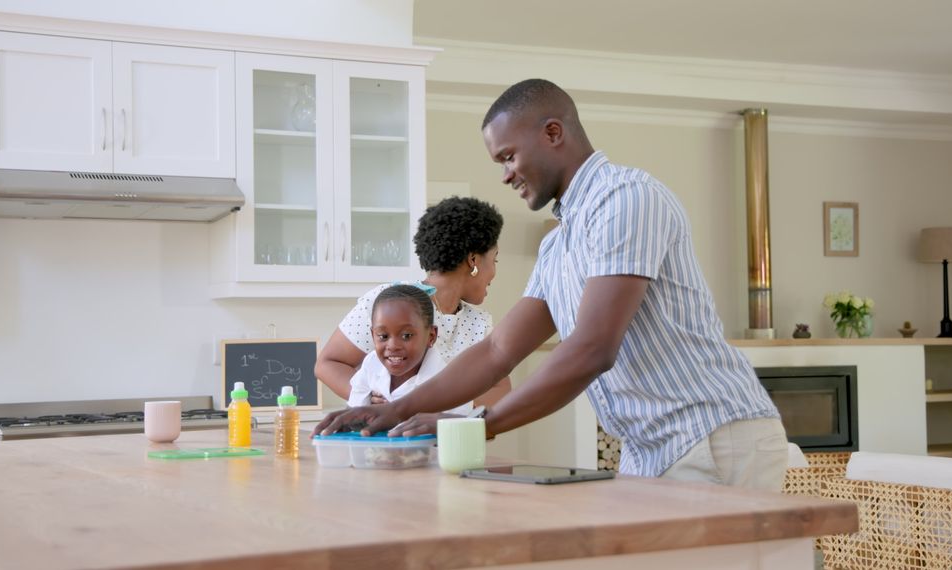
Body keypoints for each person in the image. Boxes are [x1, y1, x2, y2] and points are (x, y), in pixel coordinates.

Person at [317, 79, 787, 491]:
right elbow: (500, 348)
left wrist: (479, 426)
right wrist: (399, 410)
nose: (504, 175)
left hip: (711, 436)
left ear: (553, 133)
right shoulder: (559, 245)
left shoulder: (627, 199)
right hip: (650, 447)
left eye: (508, 156)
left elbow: (592, 348)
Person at [315, 196, 510, 408]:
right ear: (473, 260)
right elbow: (327, 364)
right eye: (495, 260)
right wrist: (368, 396)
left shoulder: (479, 323)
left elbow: (501, 390)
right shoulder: (390, 302)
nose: (494, 273)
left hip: (449, 438)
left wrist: (437, 404)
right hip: (385, 438)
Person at [347, 284, 472, 416]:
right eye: (383, 336)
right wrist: (366, 411)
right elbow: (353, 413)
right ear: (373, 335)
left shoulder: (451, 385)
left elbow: (463, 429)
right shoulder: (372, 364)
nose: (393, 346)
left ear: (431, 336)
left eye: (406, 336)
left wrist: (401, 414)